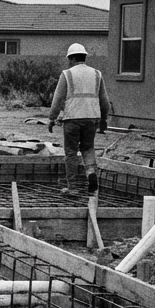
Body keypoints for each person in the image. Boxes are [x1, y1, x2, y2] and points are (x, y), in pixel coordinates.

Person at [48, 42, 112, 195]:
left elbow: (57, 100)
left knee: (70, 152)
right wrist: (103, 120)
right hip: (92, 118)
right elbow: (104, 101)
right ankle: (91, 176)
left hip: (72, 119)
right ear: (84, 57)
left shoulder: (67, 74)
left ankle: (73, 188)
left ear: (70, 58)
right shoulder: (97, 74)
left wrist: (51, 118)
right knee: (88, 148)